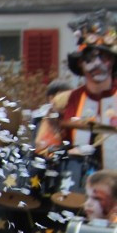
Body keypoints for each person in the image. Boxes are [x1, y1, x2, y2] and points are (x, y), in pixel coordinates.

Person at [37, 9, 117, 172]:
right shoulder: (63, 102)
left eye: (104, 57)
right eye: (90, 57)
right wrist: (67, 153)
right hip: (75, 190)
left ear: (113, 62)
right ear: (80, 62)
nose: (97, 64)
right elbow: (43, 148)